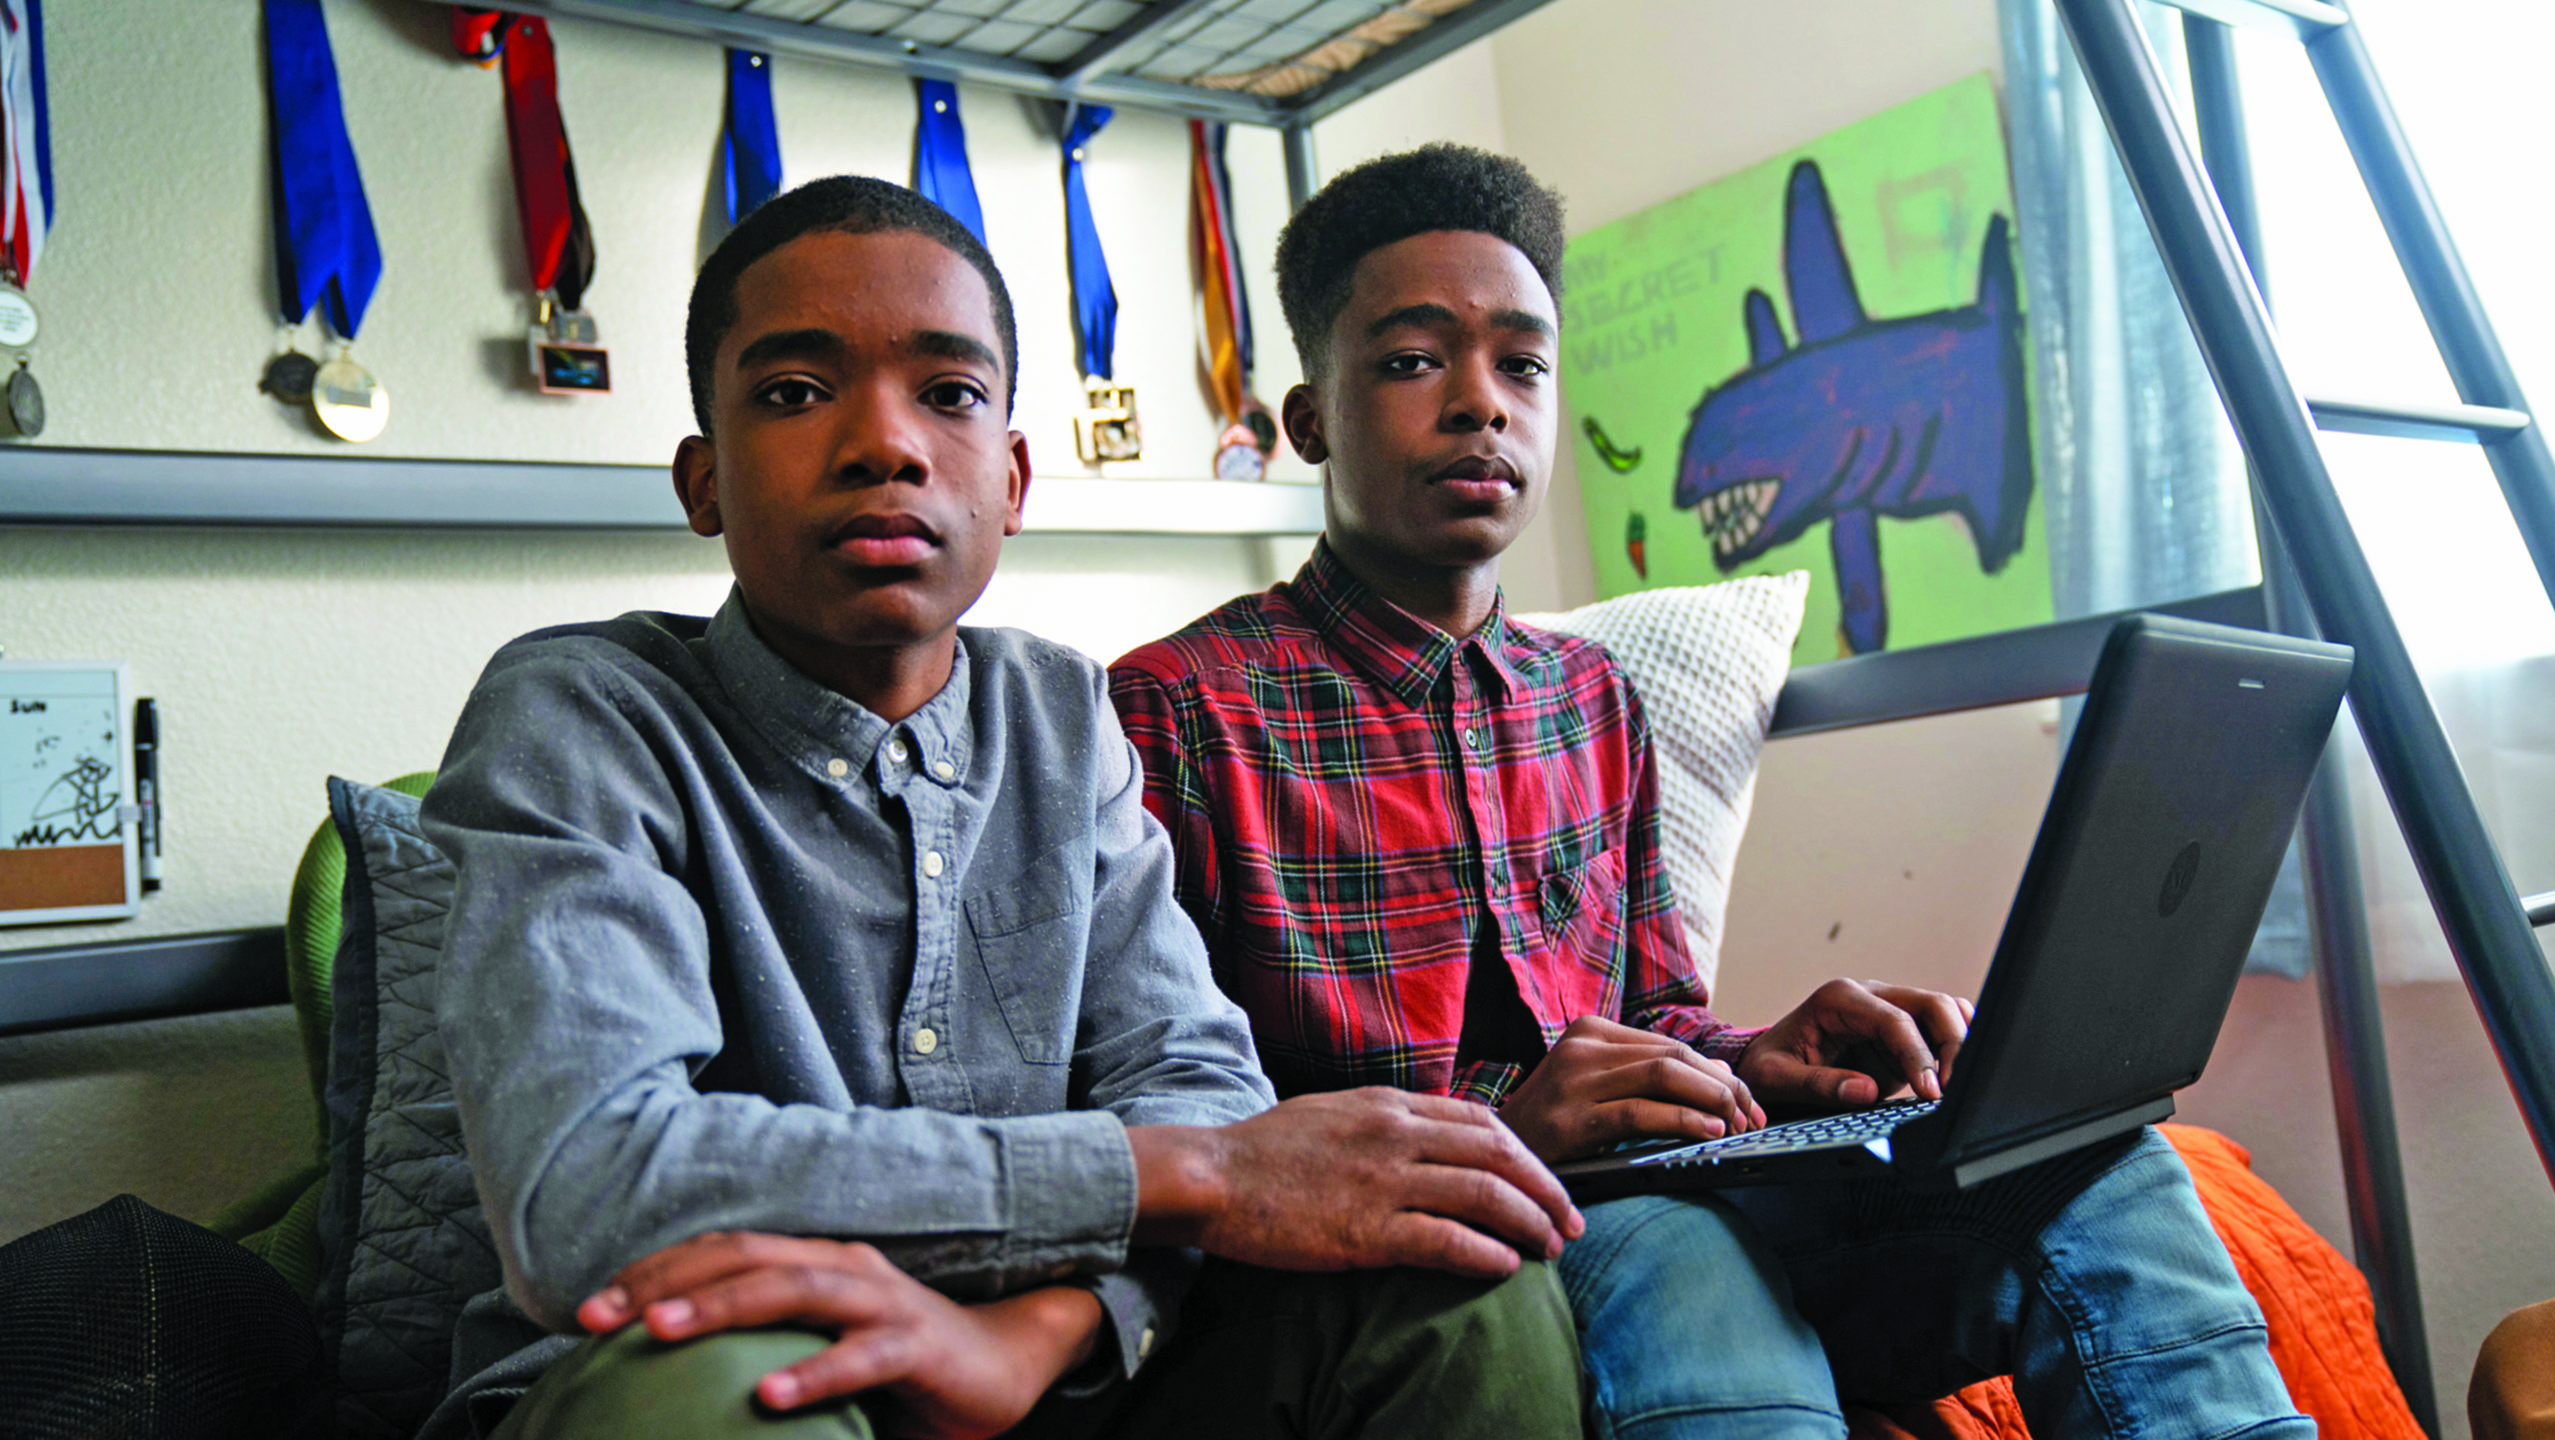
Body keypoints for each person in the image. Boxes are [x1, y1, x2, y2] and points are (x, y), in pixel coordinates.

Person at [1109, 143, 2313, 1440]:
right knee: (1683, 1251)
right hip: (1468, 1242)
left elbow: (1658, 1012)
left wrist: (1769, 1059)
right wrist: (1507, 1127)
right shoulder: (1174, 713)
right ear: (1310, 421)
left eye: (1521, 364)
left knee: (2093, 1160)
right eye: (1412, 361)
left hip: (1677, 1177)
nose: (1479, 404)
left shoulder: (1590, 695)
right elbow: (1196, 1134)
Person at [418, 174, 1587, 1440]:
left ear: (1015, 479)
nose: (885, 445)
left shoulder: (1058, 713)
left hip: (1064, 1360)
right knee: (732, 1388)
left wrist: (1033, 1332)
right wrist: (1171, 1176)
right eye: (796, 392)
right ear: (702, 484)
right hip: (695, 1370)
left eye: (951, 395)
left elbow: (1191, 1074)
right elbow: (588, 1190)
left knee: (1456, 1271)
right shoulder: (582, 715)